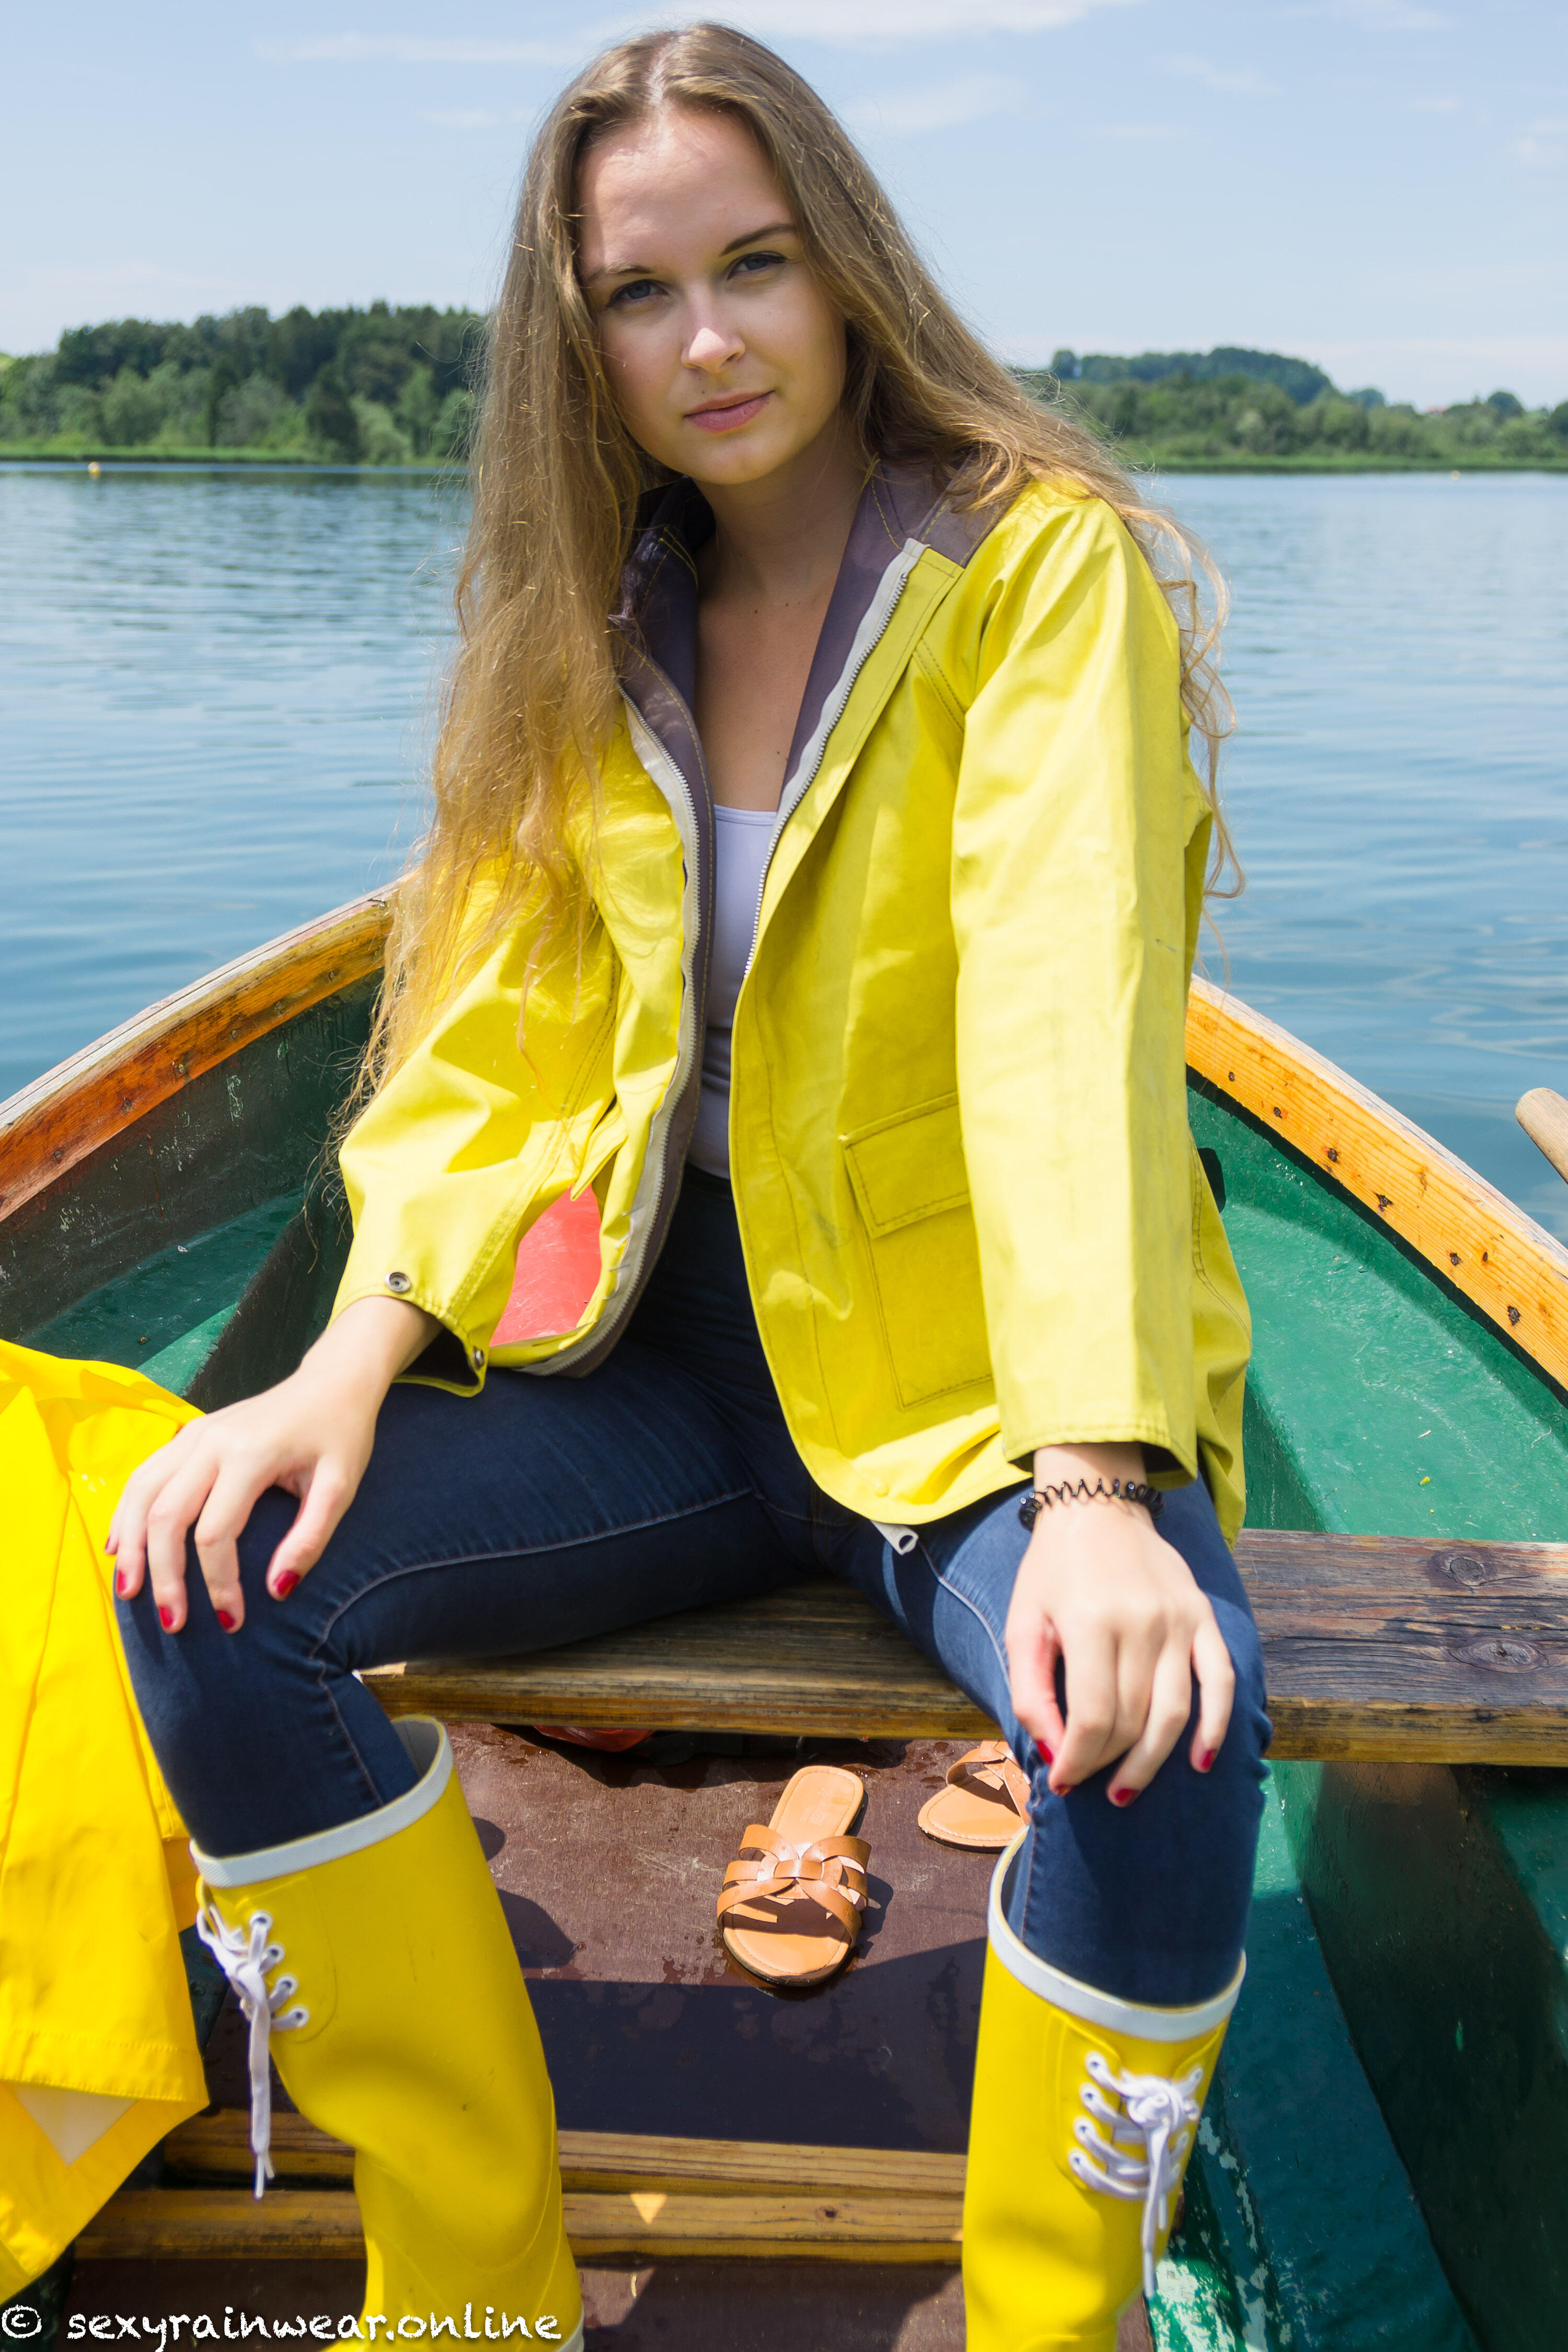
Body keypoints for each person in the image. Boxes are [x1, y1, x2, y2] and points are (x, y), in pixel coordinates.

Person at [108, 25, 1269, 2351]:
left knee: (1166, 1725)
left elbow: (1064, 1024)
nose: (710, 338)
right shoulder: (589, 614)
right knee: (211, 1584)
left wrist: (1099, 1485)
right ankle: (469, 2289)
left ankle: (1058, 2322)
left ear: (848, 270)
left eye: (756, 264)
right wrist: (347, 1363)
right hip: (644, 1358)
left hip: (980, 1376)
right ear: (583, 342)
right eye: (642, 293)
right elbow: (495, 1043)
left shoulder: (1037, 573)